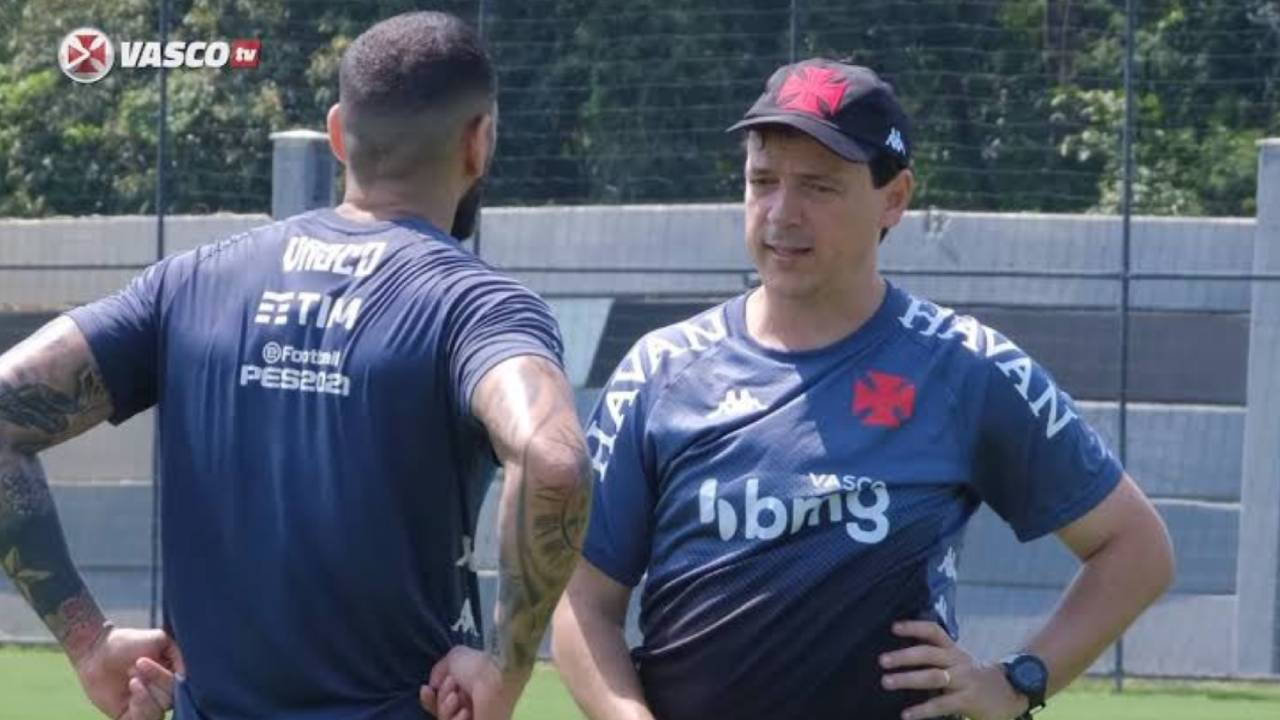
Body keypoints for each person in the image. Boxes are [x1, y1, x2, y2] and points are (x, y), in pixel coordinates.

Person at [0, 11, 589, 720]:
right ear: (479, 141)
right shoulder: (478, 307)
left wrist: (89, 642)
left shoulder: (192, 283)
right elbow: (553, 461)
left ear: (340, 135)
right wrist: (506, 665)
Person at [550, 58, 1174, 720]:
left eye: (819, 187)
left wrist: (1017, 680)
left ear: (894, 198)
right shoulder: (660, 370)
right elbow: (579, 599)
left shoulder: (964, 365)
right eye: (763, 181)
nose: (782, 213)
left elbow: (1136, 548)